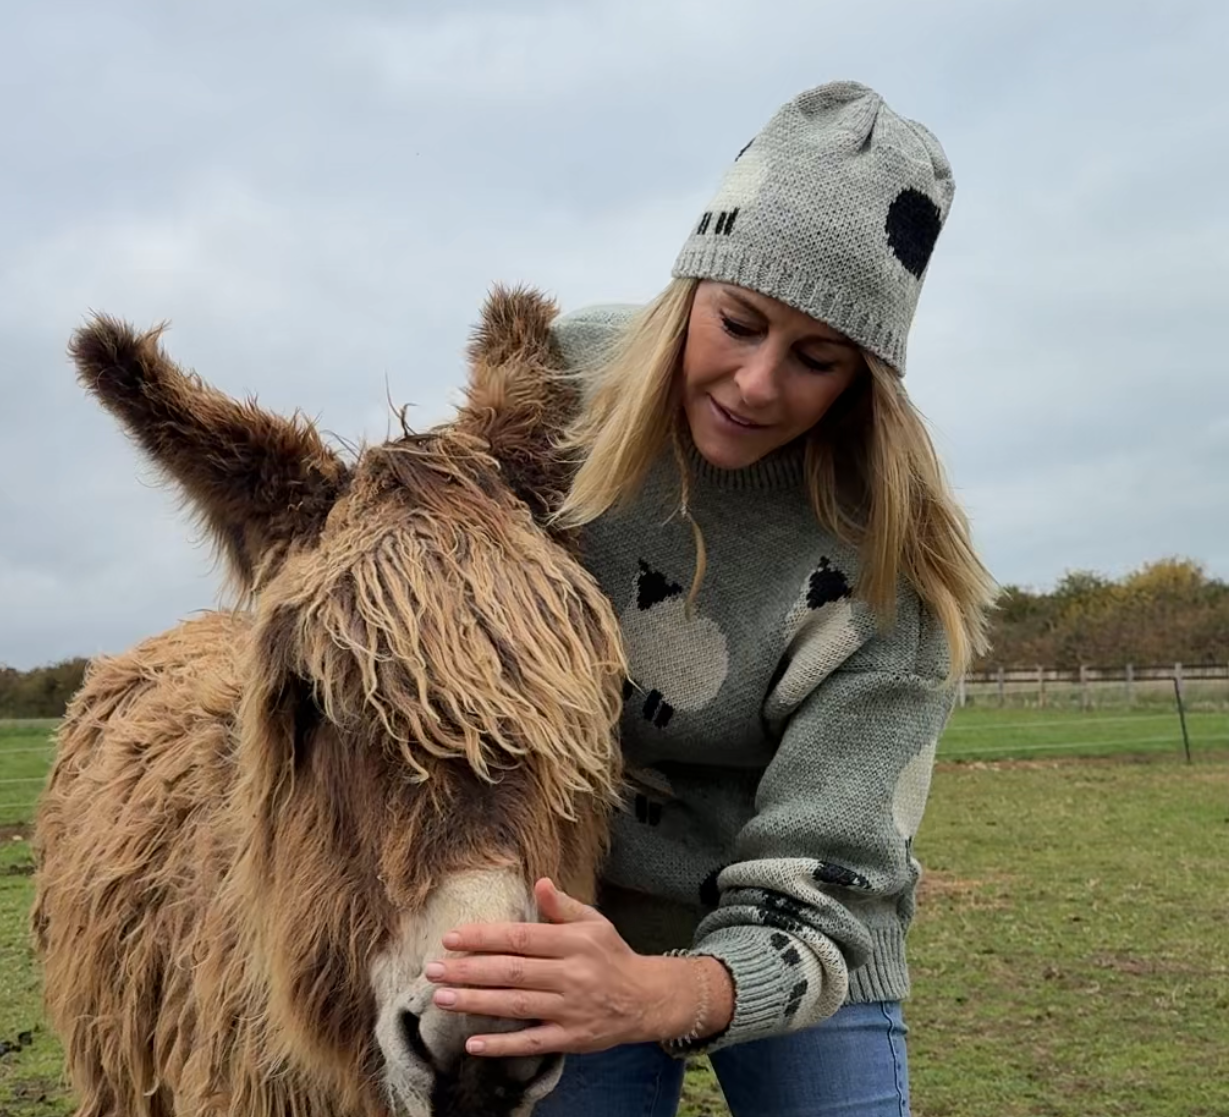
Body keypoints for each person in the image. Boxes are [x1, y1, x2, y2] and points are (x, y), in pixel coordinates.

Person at [423, 81, 995, 1116]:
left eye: (817, 358)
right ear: (690, 287)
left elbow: (833, 881)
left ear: (864, 378)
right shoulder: (553, 392)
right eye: (738, 322)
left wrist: (663, 990)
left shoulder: (891, 573)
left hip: (796, 931)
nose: (758, 383)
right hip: (570, 904)